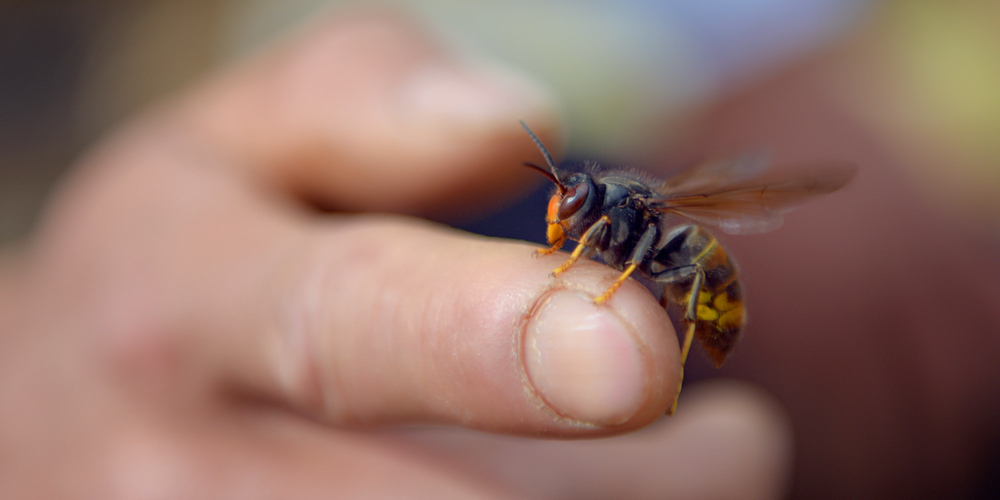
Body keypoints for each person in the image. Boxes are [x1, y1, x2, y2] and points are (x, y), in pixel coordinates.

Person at [0, 13, 791, 499]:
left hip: (706, 289)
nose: (563, 221)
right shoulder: (586, 206)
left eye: (573, 213)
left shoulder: (635, 214)